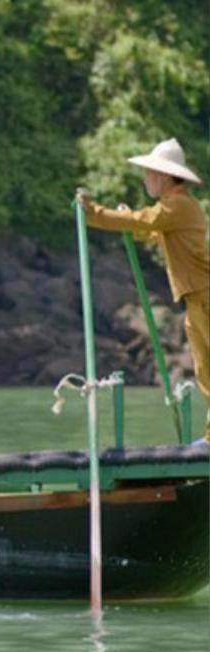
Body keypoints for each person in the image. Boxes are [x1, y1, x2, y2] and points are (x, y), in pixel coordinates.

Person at [77, 138, 209, 447]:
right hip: (196, 300)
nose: (146, 179)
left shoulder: (177, 205)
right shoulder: (173, 209)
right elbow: (147, 230)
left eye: (149, 173)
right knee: (204, 371)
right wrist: (126, 218)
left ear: (164, 177)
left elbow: (143, 221)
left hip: (204, 297)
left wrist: (93, 212)